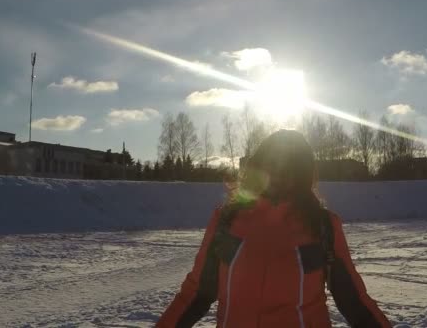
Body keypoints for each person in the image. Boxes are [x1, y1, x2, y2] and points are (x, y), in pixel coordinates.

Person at [156, 129, 391, 328]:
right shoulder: (226, 220)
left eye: (290, 167)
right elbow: (196, 293)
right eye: (271, 164)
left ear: (303, 175)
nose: (279, 174)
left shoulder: (322, 226)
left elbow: (353, 302)